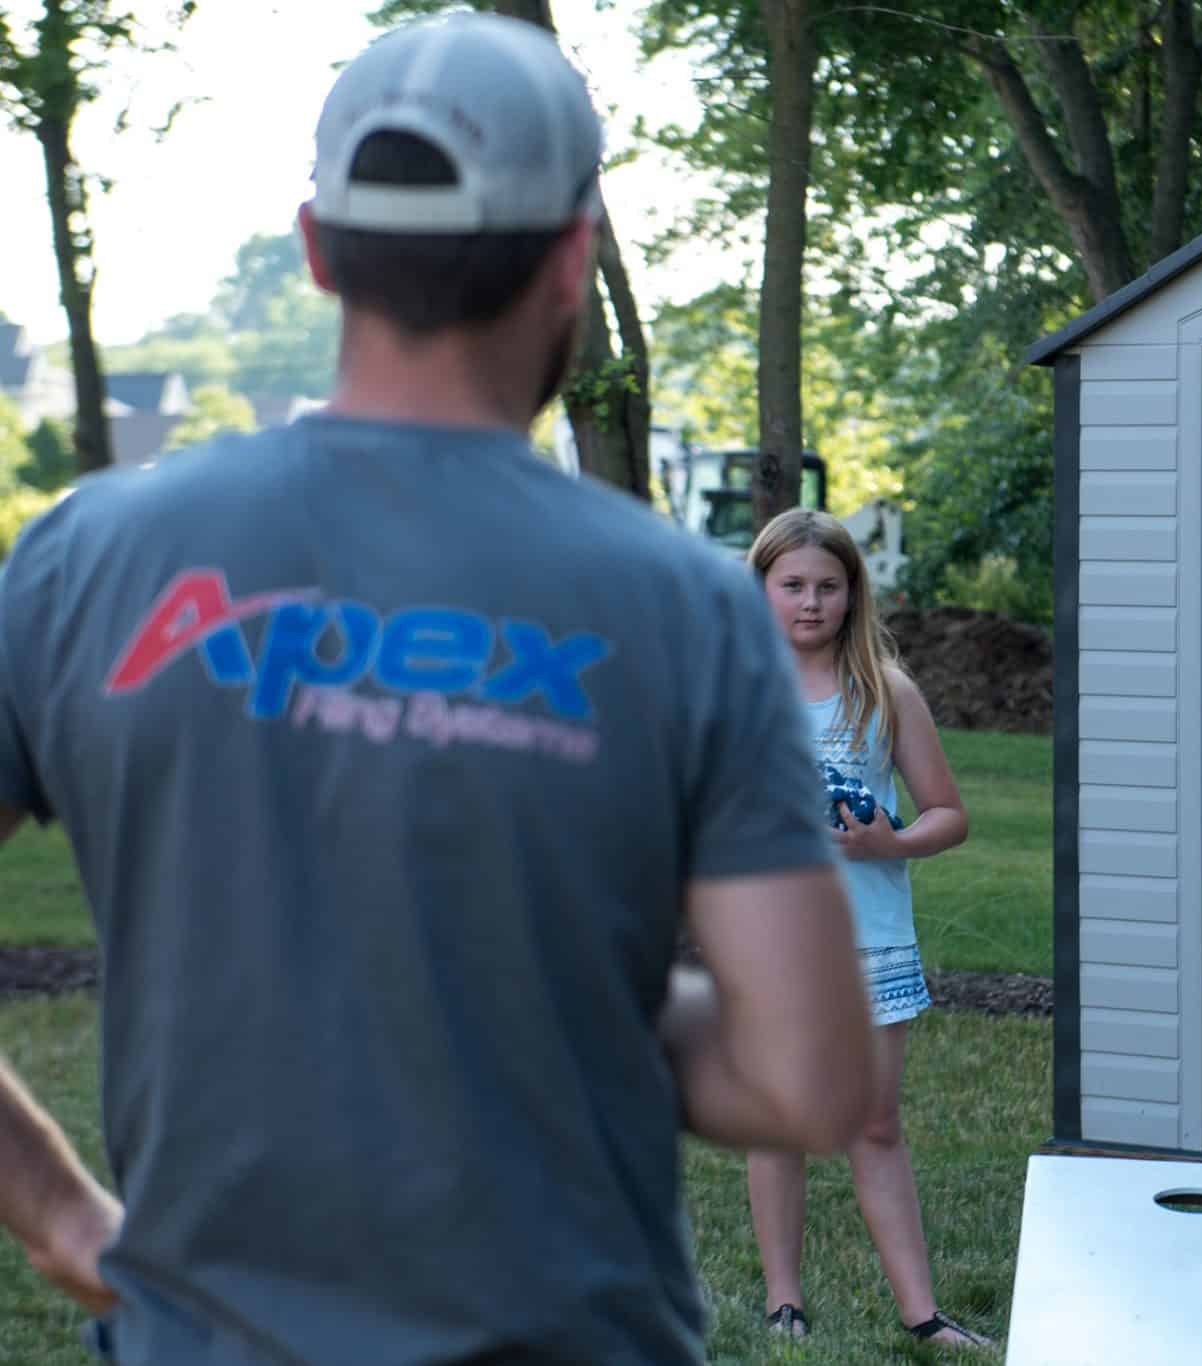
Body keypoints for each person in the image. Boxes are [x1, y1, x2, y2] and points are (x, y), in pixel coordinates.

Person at [0, 13, 874, 1363]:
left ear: (316, 247)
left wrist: (59, 1213)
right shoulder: (686, 605)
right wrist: (554, 978)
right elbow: (810, 1073)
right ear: (573, 257)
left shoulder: (85, 558)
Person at [740, 508, 994, 1352]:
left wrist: (891, 840)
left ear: (852, 594)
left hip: (870, 939)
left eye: (827, 586)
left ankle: (922, 1314)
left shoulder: (885, 692)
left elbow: (949, 815)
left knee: (874, 1124)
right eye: (792, 586)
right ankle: (784, 1301)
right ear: (761, 589)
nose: (810, 603)